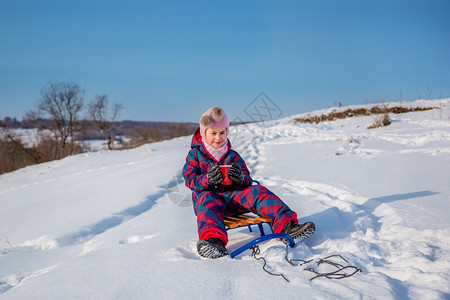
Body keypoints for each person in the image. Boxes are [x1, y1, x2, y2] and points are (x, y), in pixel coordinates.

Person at [182, 106, 315, 259]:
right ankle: (214, 242)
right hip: (211, 202)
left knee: (257, 191)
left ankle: (288, 227)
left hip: (236, 199)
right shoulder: (195, 155)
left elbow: (247, 178)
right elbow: (190, 179)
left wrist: (240, 177)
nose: (218, 138)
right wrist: (206, 180)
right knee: (207, 199)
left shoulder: (232, 155)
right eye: (213, 133)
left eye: (222, 133)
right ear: (204, 133)